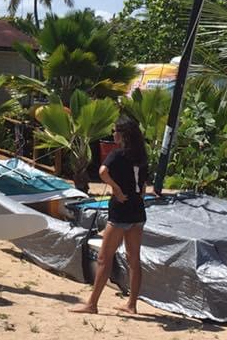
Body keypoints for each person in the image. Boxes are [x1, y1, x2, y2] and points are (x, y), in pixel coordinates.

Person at [72, 116, 149, 315]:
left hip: (121, 211)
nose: (113, 134)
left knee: (104, 258)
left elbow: (102, 171)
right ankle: (131, 304)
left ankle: (92, 304)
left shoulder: (117, 154)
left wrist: (116, 189)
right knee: (134, 259)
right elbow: (143, 188)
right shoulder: (141, 154)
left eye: (115, 131)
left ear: (123, 134)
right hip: (138, 210)